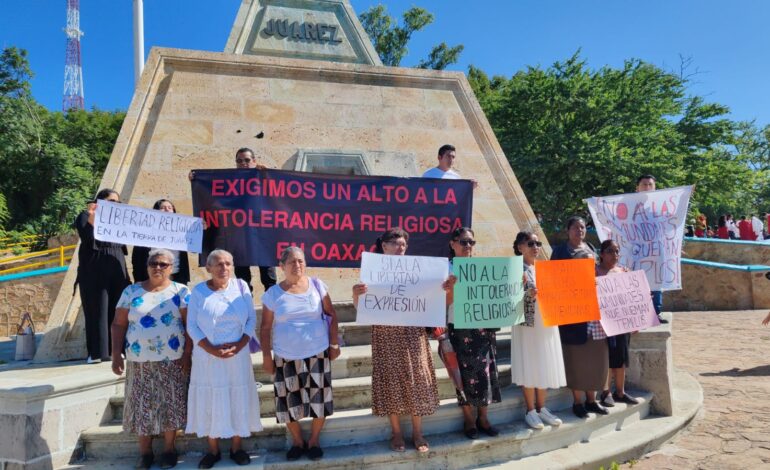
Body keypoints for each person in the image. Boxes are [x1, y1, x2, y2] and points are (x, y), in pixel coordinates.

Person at [352, 228, 440, 453]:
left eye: (403, 244)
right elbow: (361, 308)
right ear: (384, 247)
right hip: (385, 335)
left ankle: (418, 432)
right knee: (390, 380)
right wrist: (356, 294)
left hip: (412, 334)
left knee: (417, 378)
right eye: (395, 244)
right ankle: (397, 432)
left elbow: (433, 299)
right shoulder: (373, 273)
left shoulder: (419, 272)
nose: (400, 248)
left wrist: (443, 289)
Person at [111, 249, 192, 469]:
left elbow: (189, 326)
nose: (158, 267)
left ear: (171, 268)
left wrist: (187, 354)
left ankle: (169, 449)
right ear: (147, 266)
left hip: (172, 359)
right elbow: (119, 323)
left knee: (171, 404)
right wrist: (115, 354)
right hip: (139, 360)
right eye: (154, 263)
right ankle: (145, 453)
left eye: (163, 264)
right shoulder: (131, 291)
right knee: (141, 405)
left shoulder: (181, 291)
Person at [260, 247, 340, 461]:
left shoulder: (317, 286)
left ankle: (313, 440)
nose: (297, 265)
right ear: (282, 266)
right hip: (285, 356)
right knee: (288, 402)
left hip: (317, 352)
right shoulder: (272, 294)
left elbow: (331, 314)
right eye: (292, 262)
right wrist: (266, 357)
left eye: (301, 261)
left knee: (319, 399)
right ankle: (297, 441)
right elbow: (266, 328)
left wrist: (334, 345)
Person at [186, 250, 262, 468]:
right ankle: (213, 450)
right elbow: (192, 325)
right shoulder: (199, 291)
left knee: (237, 396)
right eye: (218, 264)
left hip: (237, 356)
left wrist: (239, 345)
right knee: (210, 398)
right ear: (208, 268)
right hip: (207, 357)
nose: (224, 268)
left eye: (228, 263)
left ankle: (237, 447)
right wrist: (211, 349)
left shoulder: (241, 287)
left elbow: (250, 319)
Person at [444, 227, 502, 439]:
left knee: (484, 372)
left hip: (483, 327)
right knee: (462, 374)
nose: (468, 246)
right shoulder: (446, 269)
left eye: (471, 242)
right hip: (458, 327)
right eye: (463, 242)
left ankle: (483, 418)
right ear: (453, 243)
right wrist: (450, 289)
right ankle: (469, 418)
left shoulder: (482, 268)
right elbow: (442, 304)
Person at [551, 216, 609, 418]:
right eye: (575, 227)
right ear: (568, 230)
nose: (579, 231)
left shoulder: (591, 247)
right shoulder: (559, 251)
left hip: (592, 315)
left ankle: (592, 400)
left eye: (582, 227)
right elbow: (553, 279)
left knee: (593, 357)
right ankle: (577, 402)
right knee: (575, 358)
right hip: (571, 314)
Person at [511, 231, 566, 430]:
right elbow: (508, 299)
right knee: (529, 361)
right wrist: (527, 295)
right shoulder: (514, 269)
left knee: (543, 361)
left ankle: (542, 407)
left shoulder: (545, 269)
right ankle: (530, 410)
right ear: (520, 247)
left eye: (538, 243)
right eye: (530, 243)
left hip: (546, 320)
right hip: (527, 323)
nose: (535, 247)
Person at [74, 188, 132, 363]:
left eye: (117, 202)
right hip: (95, 270)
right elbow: (87, 237)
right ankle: (98, 352)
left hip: (117, 267)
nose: (115, 205)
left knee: (118, 310)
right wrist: (93, 215)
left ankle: (118, 350)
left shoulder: (118, 221)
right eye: (111, 202)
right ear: (100, 202)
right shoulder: (84, 216)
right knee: (98, 309)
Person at [595, 241, 640, 408]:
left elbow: (631, 297)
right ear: (602, 254)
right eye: (609, 251)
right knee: (606, 358)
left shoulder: (623, 272)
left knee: (621, 358)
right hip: (602, 323)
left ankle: (620, 392)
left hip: (621, 322)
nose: (614, 255)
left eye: (617, 251)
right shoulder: (594, 271)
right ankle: (605, 392)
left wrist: (635, 321)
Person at [231, 148, 278, 293]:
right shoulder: (229, 179)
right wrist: (196, 178)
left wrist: (266, 174)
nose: (243, 163)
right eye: (239, 161)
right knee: (242, 278)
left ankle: (272, 311)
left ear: (254, 161)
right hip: (240, 234)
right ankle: (245, 309)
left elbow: (280, 192)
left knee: (269, 278)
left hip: (263, 233)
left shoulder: (263, 176)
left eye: (247, 160)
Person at [131, 199, 191, 285]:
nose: (167, 209)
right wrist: (138, 278)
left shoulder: (182, 230)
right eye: (163, 207)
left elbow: (194, 248)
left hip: (177, 277)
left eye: (170, 208)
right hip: (150, 277)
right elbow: (137, 257)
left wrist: (201, 229)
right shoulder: (146, 231)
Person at [635, 175, 667, 324]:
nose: (647, 187)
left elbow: (670, 227)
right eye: (644, 184)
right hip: (636, 253)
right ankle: (639, 314)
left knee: (656, 282)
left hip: (656, 252)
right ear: (637, 188)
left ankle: (656, 312)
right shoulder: (629, 206)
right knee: (637, 283)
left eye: (650, 185)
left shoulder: (661, 207)